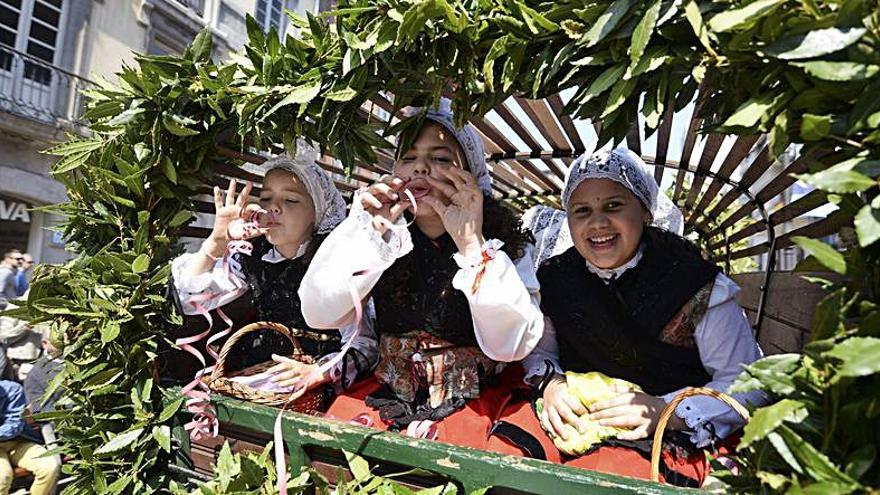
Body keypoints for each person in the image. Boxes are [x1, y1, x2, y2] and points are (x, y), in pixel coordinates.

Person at [487, 148, 768, 486]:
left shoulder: (698, 286)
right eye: (582, 211)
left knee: (609, 479)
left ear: (646, 212)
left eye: (613, 206)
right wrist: (552, 384)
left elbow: (747, 384)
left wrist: (667, 411)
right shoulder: (555, 279)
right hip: (578, 415)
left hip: (664, 429)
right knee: (506, 461)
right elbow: (542, 350)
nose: (598, 223)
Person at [299, 99, 544, 448]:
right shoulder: (381, 234)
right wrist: (369, 234)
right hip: (384, 396)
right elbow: (318, 312)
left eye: (441, 159)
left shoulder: (501, 243)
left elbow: (512, 345)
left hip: (474, 404)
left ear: (471, 175)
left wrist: (471, 245)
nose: (421, 169)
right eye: (408, 158)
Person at [170, 155, 377, 397]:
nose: (273, 207)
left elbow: (364, 345)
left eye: (290, 199)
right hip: (257, 367)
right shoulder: (253, 255)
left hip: (311, 380)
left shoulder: (334, 265)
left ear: (318, 212)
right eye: (266, 198)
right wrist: (216, 244)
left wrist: (317, 372)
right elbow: (191, 301)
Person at [0, 380, 60, 495]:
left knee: (50, 467)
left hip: (19, 441)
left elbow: (14, 426)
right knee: (2, 478)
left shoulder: (12, 390)